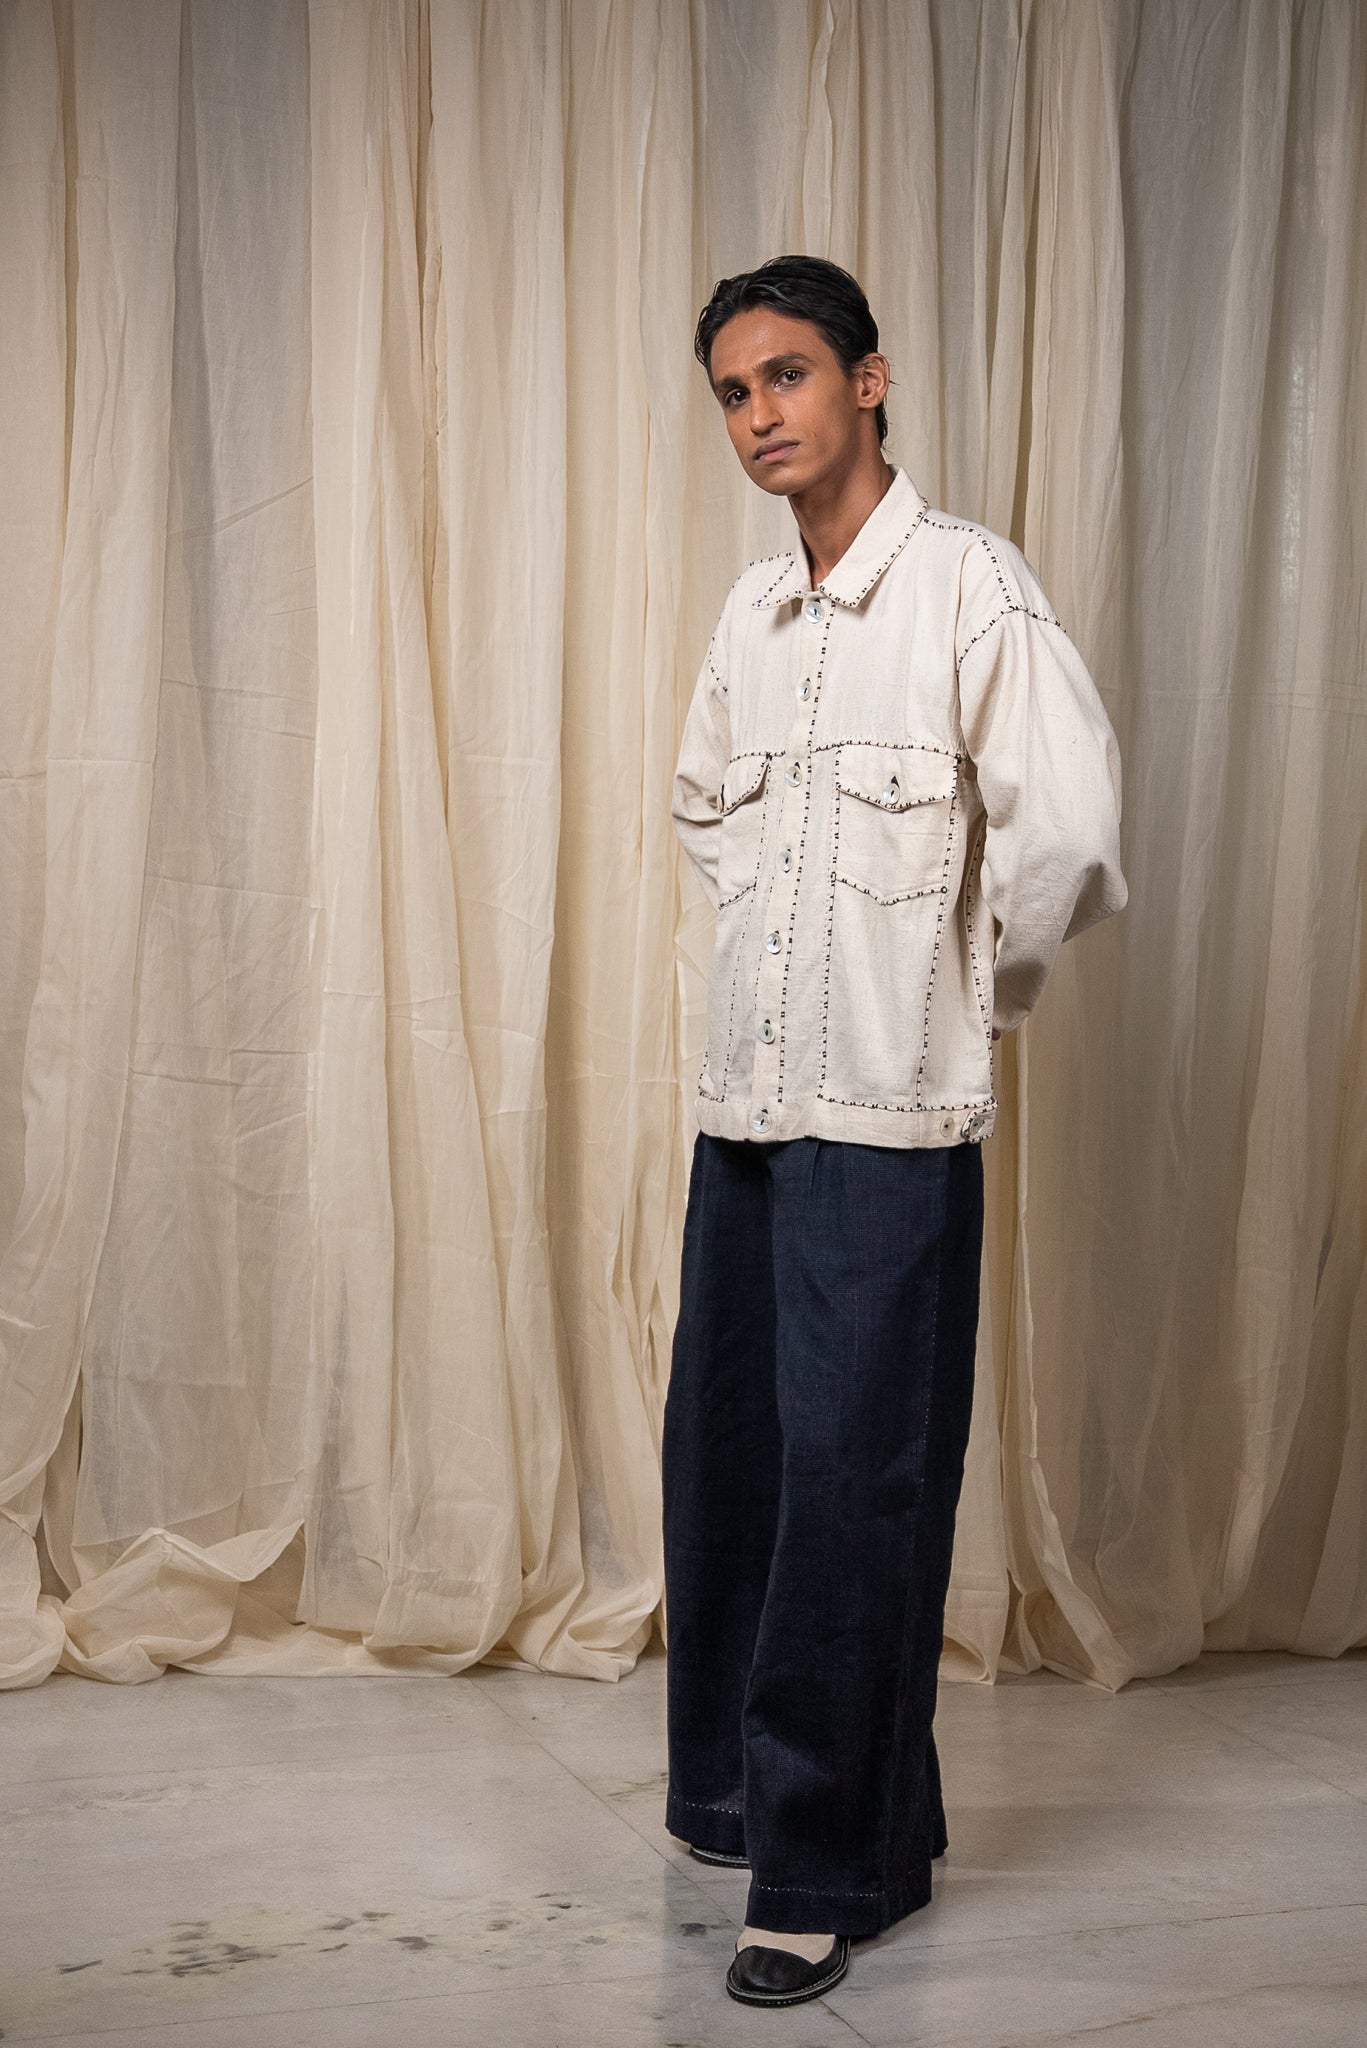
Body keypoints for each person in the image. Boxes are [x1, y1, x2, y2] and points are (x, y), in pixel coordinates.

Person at [663, 254, 1127, 2010]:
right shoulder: (749, 618)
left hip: (892, 1125)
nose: (757, 415)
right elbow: (705, 812)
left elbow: (1065, 836)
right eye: (732, 391)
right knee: (731, 1465)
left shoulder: (969, 589)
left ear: (868, 380)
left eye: (785, 375)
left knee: (857, 1489)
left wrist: (955, 997)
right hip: (748, 1104)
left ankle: (821, 1872)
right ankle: (766, 1805)